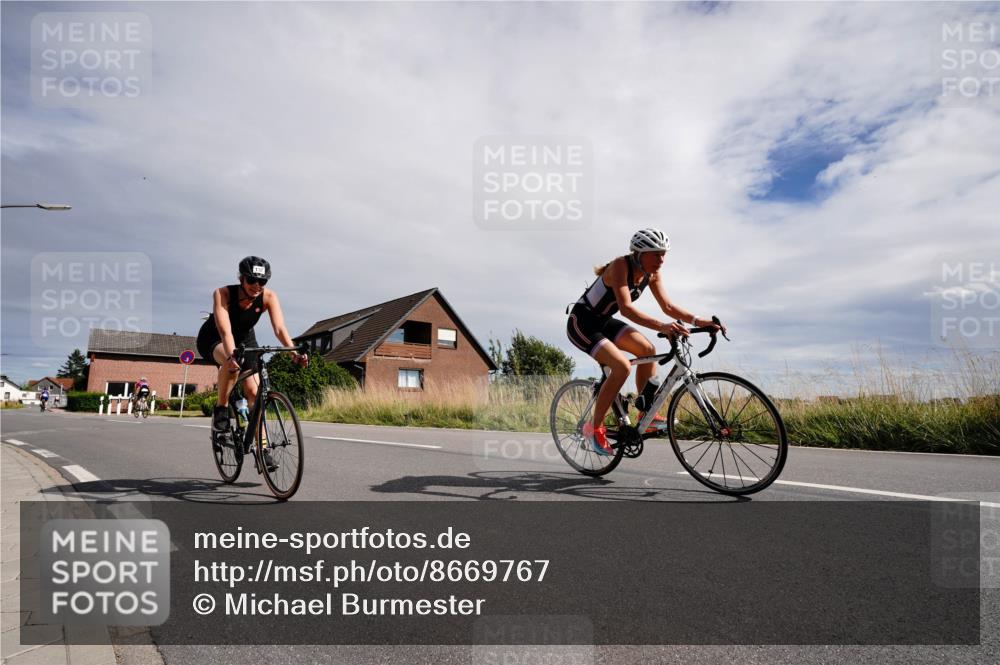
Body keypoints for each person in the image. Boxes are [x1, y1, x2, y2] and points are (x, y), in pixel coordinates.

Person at [566, 228, 724, 455]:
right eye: (655, 254)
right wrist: (662, 326)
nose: (661, 260)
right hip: (582, 322)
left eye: (663, 254)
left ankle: (645, 414)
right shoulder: (620, 266)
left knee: (647, 349)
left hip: (604, 322)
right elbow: (627, 309)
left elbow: (668, 307)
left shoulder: (652, 273)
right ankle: (594, 428)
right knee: (621, 367)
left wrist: (699, 321)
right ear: (639, 253)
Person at [196, 256, 307, 471]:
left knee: (255, 394)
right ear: (241, 278)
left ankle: (262, 450)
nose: (257, 286)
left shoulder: (268, 297)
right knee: (230, 364)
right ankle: (221, 408)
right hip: (215, 337)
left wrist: (293, 352)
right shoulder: (223, 294)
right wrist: (231, 356)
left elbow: (279, 329)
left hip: (246, 338)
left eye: (262, 282)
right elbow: (225, 331)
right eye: (252, 280)